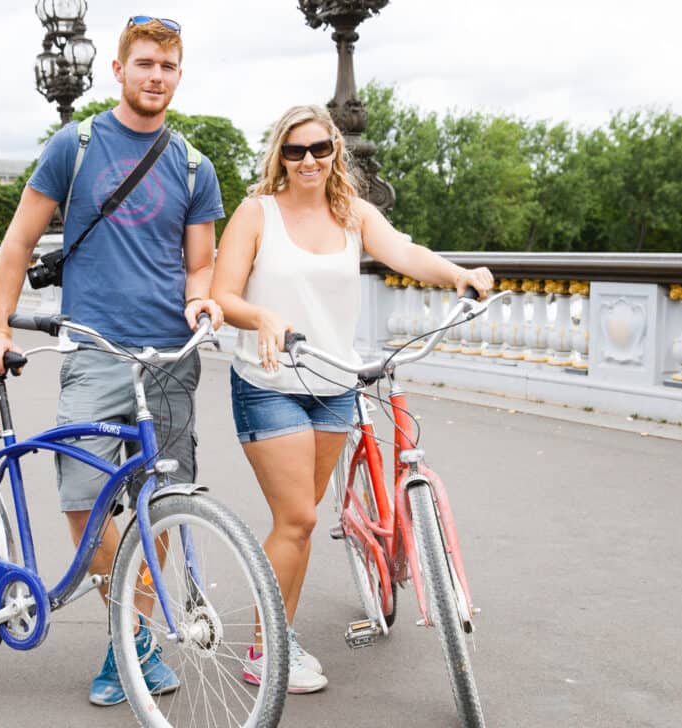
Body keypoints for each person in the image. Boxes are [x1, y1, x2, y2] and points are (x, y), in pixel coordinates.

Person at [0, 16, 225, 707]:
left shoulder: (195, 166)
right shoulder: (76, 145)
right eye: (144, 63)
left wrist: (201, 302)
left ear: (179, 74)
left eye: (168, 67)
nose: (156, 77)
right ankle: (133, 640)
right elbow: (19, 240)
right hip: (94, 350)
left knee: (162, 505)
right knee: (84, 500)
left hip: (170, 356)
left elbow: (199, 265)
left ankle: (128, 640)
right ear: (119, 70)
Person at [209, 105, 495, 693]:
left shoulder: (352, 213)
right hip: (270, 386)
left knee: (300, 526)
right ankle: (265, 651)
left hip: (335, 385)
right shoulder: (255, 213)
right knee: (299, 517)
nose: (308, 161)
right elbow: (222, 296)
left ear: (335, 150)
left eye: (319, 148)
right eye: (295, 151)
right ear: (279, 156)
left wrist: (459, 273)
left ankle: (278, 634)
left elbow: (405, 254)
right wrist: (262, 314)